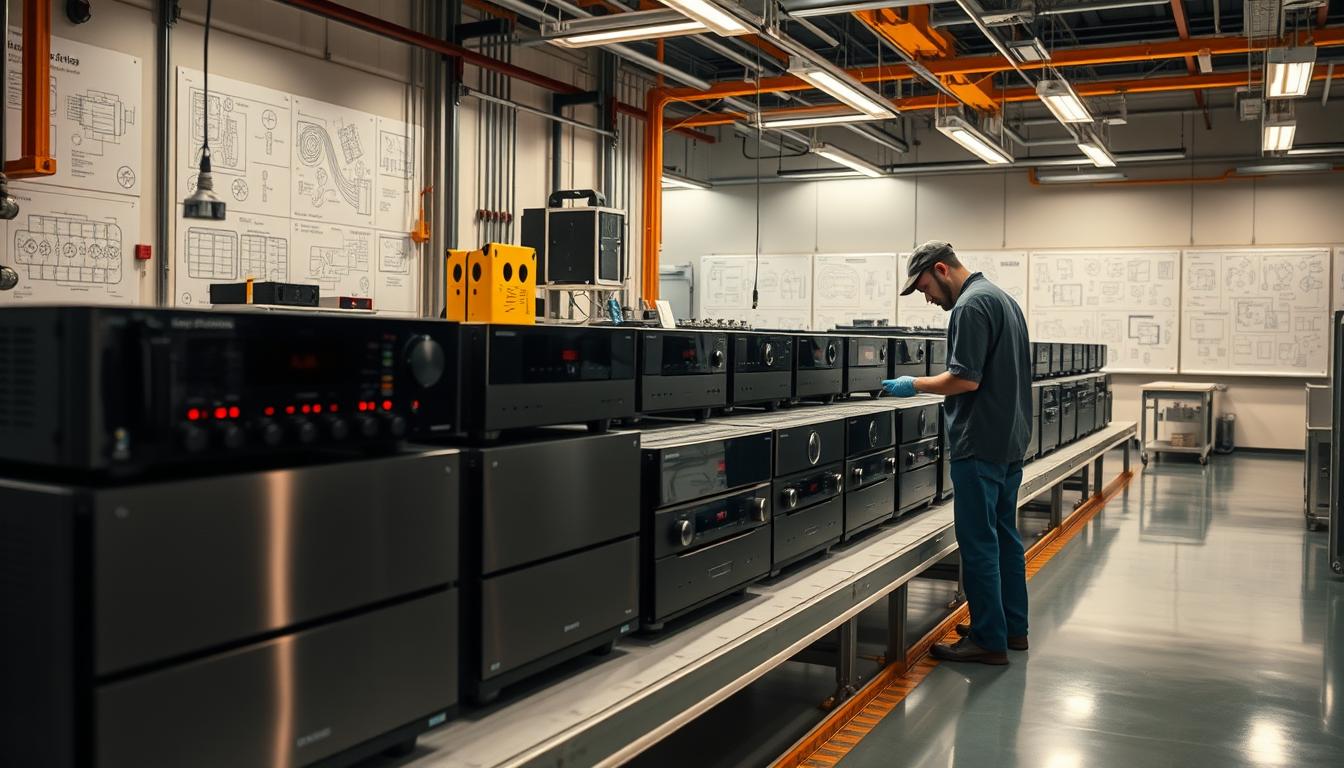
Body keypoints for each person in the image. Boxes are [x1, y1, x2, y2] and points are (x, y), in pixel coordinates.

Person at [882, 241, 1033, 666]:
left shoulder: (970, 306)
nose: (927, 298)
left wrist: (913, 384)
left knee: (978, 541)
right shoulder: (1004, 300)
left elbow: (965, 380)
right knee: (1005, 537)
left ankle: (988, 639)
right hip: (1009, 441)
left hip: (979, 442)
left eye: (925, 287)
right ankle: (1011, 627)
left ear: (942, 269)